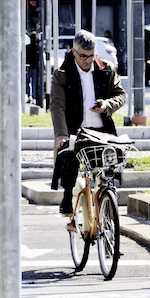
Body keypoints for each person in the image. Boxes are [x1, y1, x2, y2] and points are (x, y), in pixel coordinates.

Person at [50, 30, 127, 213]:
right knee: (68, 161)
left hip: (102, 130)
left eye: (92, 55)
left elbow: (120, 95)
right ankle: (68, 196)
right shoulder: (62, 73)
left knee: (109, 169)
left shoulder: (106, 68)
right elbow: (57, 105)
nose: (88, 60)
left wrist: (107, 104)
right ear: (74, 52)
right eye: (83, 56)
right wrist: (61, 134)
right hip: (75, 130)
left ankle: (107, 205)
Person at [25, 30, 44, 107]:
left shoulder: (27, 47)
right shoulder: (38, 48)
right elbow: (41, 59)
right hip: (35, 67)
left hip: (29, 67)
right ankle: (33, 97)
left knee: (27, 82)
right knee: (34, 83)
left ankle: (30, 95)